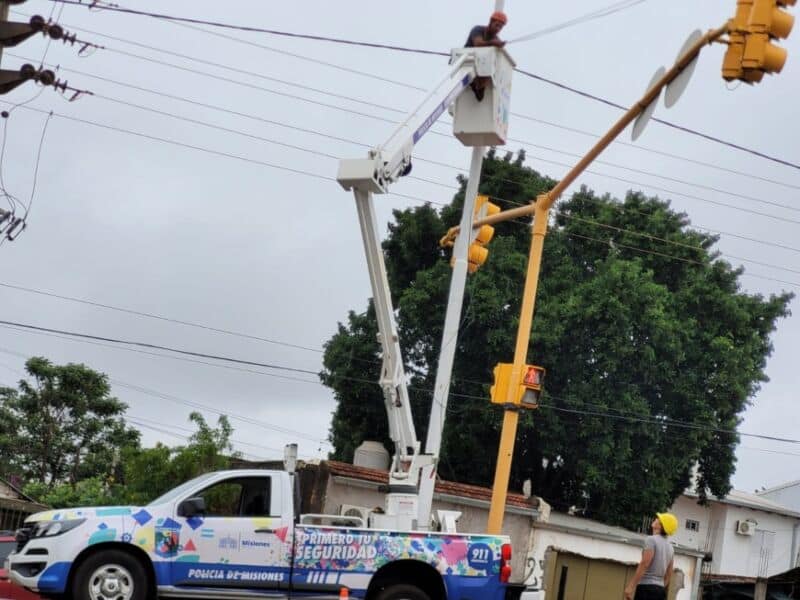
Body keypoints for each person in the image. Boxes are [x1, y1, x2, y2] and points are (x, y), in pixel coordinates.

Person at [624, 512, 677, 600]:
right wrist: (660, 587)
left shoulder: (651, 540)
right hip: (660, 591)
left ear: (661, 526)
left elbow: (645, 563)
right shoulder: (670, 547)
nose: (655, 519)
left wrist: (631, 586)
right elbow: (669, 573)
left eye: (658, 519)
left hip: (646, 588)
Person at [465, 11, 507, 101]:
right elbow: (478, 43)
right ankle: (475, 84)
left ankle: (480, 87)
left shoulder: (495, 39)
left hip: (480, 65)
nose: (498, 29)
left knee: (490, 63)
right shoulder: (478, 29)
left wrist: (498, 45)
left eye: (500, 27)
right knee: (486, 58)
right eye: (497, 25)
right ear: (491, 22)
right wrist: (493, 43)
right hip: (467, 61)